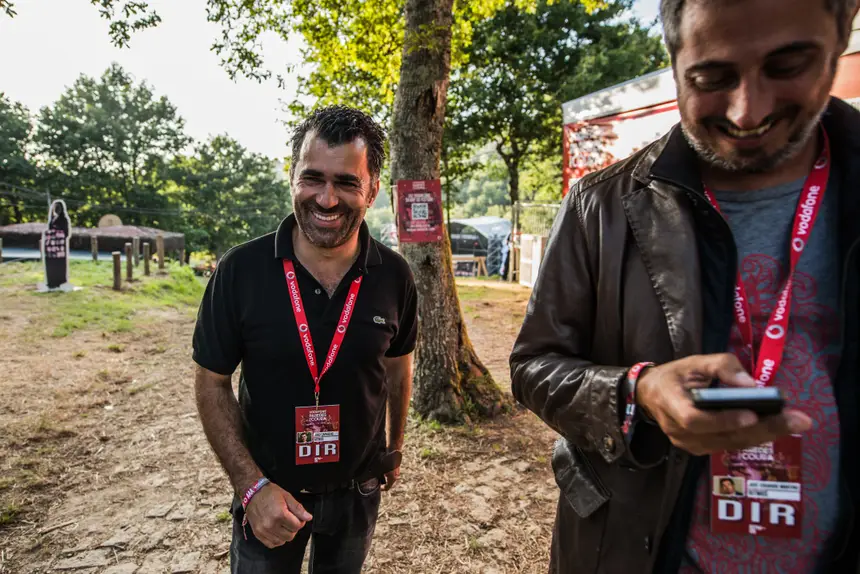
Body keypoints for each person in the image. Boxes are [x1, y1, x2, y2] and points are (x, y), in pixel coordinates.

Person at [510, 0, 860, 572]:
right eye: (713, 78)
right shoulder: (601, 205)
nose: (749, 111)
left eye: (787, 65)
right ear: (674, 63)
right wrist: (638, 393)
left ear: (842, 32)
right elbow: (533, 365)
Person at [193, 106, 418, 574]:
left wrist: (394, 447)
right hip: (268, 495)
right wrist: (250, 487)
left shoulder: (395, 275)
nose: (327, 199)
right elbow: (212, 383)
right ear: (291, 176)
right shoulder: (240, 271)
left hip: (358, 492)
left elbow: (398, 367)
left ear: (372, 189)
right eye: (312, 178)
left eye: (346, 182)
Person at [43, 199, 71, 288]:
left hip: (60, 247)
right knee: (51, 263)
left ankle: (60, 280)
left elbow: (66, 233)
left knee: (60, 264)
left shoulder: (64, 219)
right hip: (50, 247)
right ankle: (51, 280)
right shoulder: (52, 219)